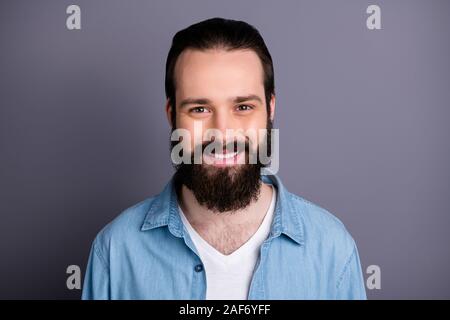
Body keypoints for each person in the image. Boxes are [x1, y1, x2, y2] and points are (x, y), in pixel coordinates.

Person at [82, 17, 366, 300]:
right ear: (172, 115)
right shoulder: (115, 252)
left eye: (243, 106)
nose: (222, 132)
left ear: (270, 108)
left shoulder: (331, 249)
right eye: (200, 109)